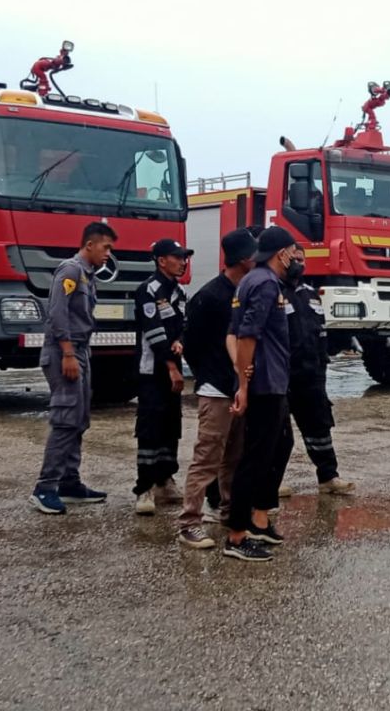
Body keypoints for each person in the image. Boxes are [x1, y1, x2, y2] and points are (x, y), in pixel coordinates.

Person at [30, 222, 118, 514]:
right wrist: (67, 352)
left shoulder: (87, 275)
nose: (108, 254)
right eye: (105, 247)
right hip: (63, 351)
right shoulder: (70, 270)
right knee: (66, 419)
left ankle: (70, 483)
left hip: (80, 350)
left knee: (79, 419)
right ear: (90, 245)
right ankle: (44, 488)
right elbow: (57, 313)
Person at [176, 229, 256, 549]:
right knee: (207, 457)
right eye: (253, 255)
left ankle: (228, 512)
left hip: (240, 388)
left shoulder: (247, 291)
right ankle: (189, 522)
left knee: (234, 457)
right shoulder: (209, 297)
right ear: (241, 259)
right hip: (216, 390)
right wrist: (210, 376)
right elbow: (190, 344)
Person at [224, 226, 299, 562]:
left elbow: (235, 333)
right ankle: (237, 537)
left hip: (272, 381)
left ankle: (258, 517)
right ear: (280, 252)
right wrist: (243, 382)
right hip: (266, 384)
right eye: (293, 250)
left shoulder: (251, 281)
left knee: (281, 444)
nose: (296, 257)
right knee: (255, 459)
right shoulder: (265, 283)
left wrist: (243, 376)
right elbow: (246, 335)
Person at [274, 244, 357, 498]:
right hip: (283, 375)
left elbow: (321, 333)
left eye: (302, 259)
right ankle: (271, 482)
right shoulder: (273, 291)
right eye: (294, 258)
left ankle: (328, 477)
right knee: (278, 433)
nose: (299, 263)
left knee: (319, 427)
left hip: (312, 376)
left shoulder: (310, 294)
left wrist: (322, 365)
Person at [133, 238, 193, 515]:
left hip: (174, 369)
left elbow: (183, 322)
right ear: (161, 261)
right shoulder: (148, 290)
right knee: (150, 425)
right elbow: (153, 330)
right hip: (153, 369)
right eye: (177, 257)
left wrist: (181, 340)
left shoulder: (178, 291)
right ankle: (144, 487)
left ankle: (165, 480)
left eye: (184, 257)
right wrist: (170, 366)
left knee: (171, 424)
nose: (183, 262)